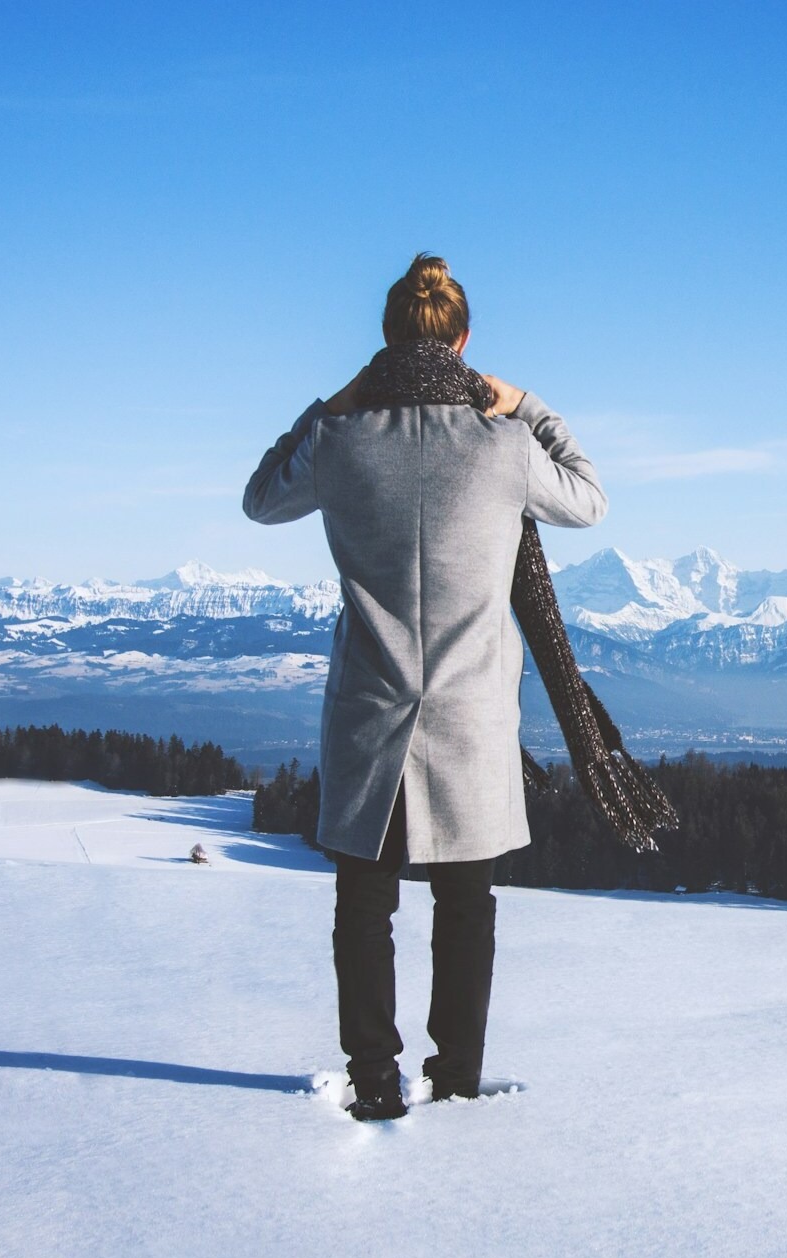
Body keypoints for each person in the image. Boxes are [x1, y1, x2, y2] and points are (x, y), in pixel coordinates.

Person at [242, 254, 607, 1121]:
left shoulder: (339, 443)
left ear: (382, 340)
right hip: (472, 715)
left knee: (364, 903)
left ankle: (373, 1076)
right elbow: (589, 500)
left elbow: (261, 498)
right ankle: (456, 1077)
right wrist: (526, 403)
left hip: (371, 711)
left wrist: (332, 404)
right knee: (465, 904)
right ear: (465, 338)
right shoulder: (504, 446)